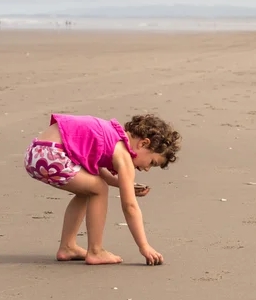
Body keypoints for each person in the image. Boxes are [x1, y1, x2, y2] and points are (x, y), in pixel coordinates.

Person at [24, 113, 181, 266]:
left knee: (88, 189)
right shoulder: (123, 156)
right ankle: (96, 251)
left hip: (37, 152)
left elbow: (93, 167)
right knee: (99, 189)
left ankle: (68, 246)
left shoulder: (112, 135)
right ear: (144, 143)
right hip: (51, 155)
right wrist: (144, 246)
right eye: (152, 162)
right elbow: (130, 207)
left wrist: (121, 183)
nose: (147, 168)